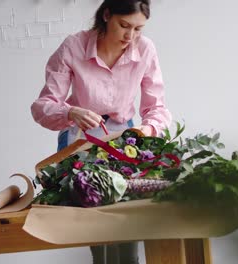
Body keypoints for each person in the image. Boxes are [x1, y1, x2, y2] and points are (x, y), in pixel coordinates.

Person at [30, 0, 171, 263]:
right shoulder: (74, 46)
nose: (130, 37)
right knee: (90, 214)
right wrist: (70, 112)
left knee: (128, 214)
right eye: (124, 26)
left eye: (138, 29)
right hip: (79, 138)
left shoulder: (146, 50)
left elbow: (157, 108)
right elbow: (42, 107)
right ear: (106, 15)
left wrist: (146, 129)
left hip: (126, 138)